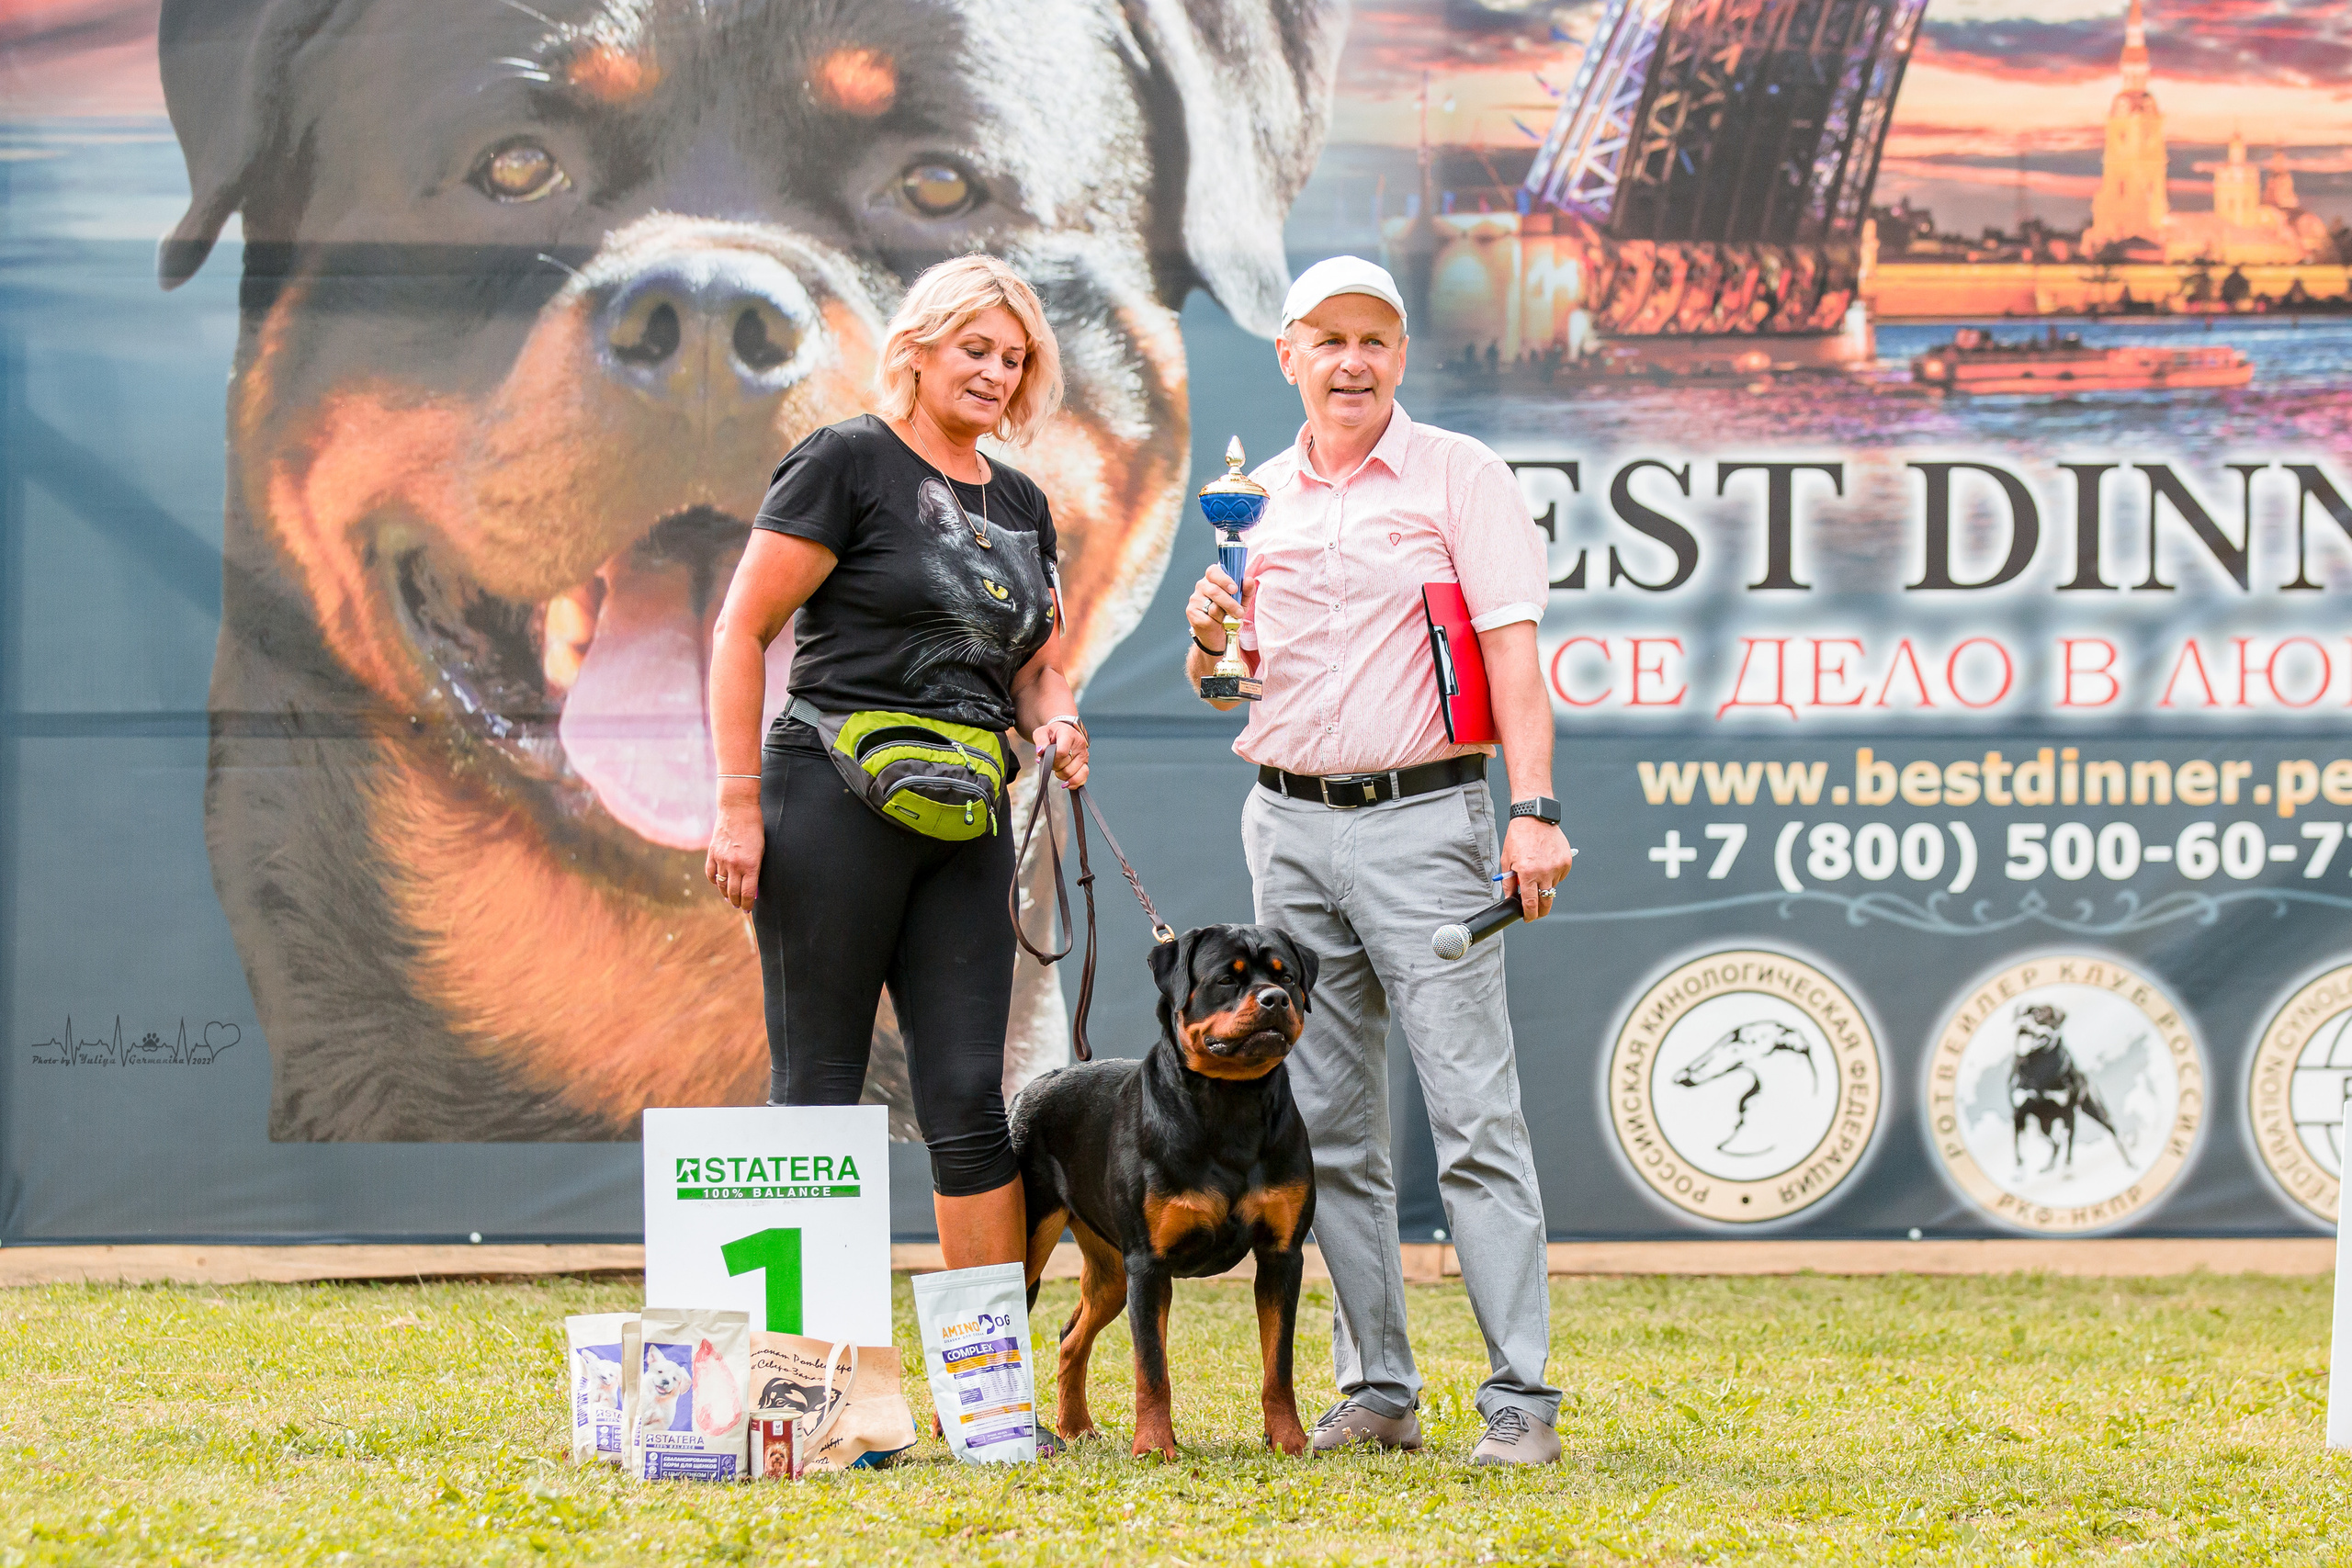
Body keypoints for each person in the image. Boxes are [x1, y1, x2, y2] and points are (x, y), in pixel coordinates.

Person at [1183, 255, 1573, 1466]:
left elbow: (1512, 651)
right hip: (1287, 827)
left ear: (1400, 356)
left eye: (1375, 340)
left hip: (1429, 824)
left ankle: (1520, 1397)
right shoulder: (1257, 500)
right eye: (1328, 339)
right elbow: (1221, 687)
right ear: (1289, 353)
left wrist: (1535, 806)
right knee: (1334, 1127)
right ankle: (1379, 1386)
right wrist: (1208, 648)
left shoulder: (1462, 474)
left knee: (1473, 1118)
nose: (1352, 361)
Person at [706, 254, 1088, 1270]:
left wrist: (1056, 723)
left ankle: (991, 1404)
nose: (995, 374)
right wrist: (738, 805)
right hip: (829, 798)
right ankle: (814, 1387)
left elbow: (1041, 671)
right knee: (821, 1091)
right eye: (975, 349)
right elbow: (741, 632)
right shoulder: (844, 462)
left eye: (1013, 359)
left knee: (968, 1097)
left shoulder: (1022, 502)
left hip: (966, 817)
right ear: (914, 351)